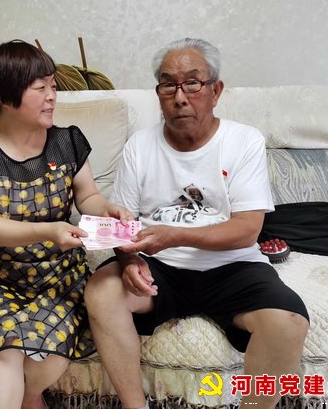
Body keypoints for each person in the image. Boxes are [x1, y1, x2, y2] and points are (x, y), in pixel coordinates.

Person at [84, 38, 310, 409]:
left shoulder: (243, 141)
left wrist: (173, 235)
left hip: (233, 267)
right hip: (159, 268)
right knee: (100, 291)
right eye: (168, 85)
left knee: (288, 321)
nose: (179, 97)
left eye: (192, 83)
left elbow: (247, 230)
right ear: (158, 93)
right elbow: (123, 224)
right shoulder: (139, 146)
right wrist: (129, 259)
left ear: (215, 91)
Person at [0, 40, 133, 409]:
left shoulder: (68, 141)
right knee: (5, 349)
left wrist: (108, 209)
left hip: (58, 273)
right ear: (5, 97)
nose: (52, 96)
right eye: (40, 87)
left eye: (53, 86)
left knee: (54, 351)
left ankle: (30, 398)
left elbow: (88, 197)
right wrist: (47, 231)